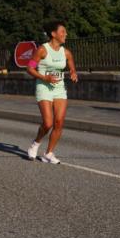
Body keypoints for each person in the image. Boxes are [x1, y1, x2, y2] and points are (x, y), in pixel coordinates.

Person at [25, 21, 78, 164]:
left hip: (59, 88)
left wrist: (73, 72)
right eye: (63, 32)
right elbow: (30, 68)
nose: (65, 34)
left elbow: (71, 65)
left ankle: (48, 153)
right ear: (53, 34)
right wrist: (44, 77)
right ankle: (35, 144)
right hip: (43, 87)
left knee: (59, 122)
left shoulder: (66, 52)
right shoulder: (43, 50)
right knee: (48, 123)